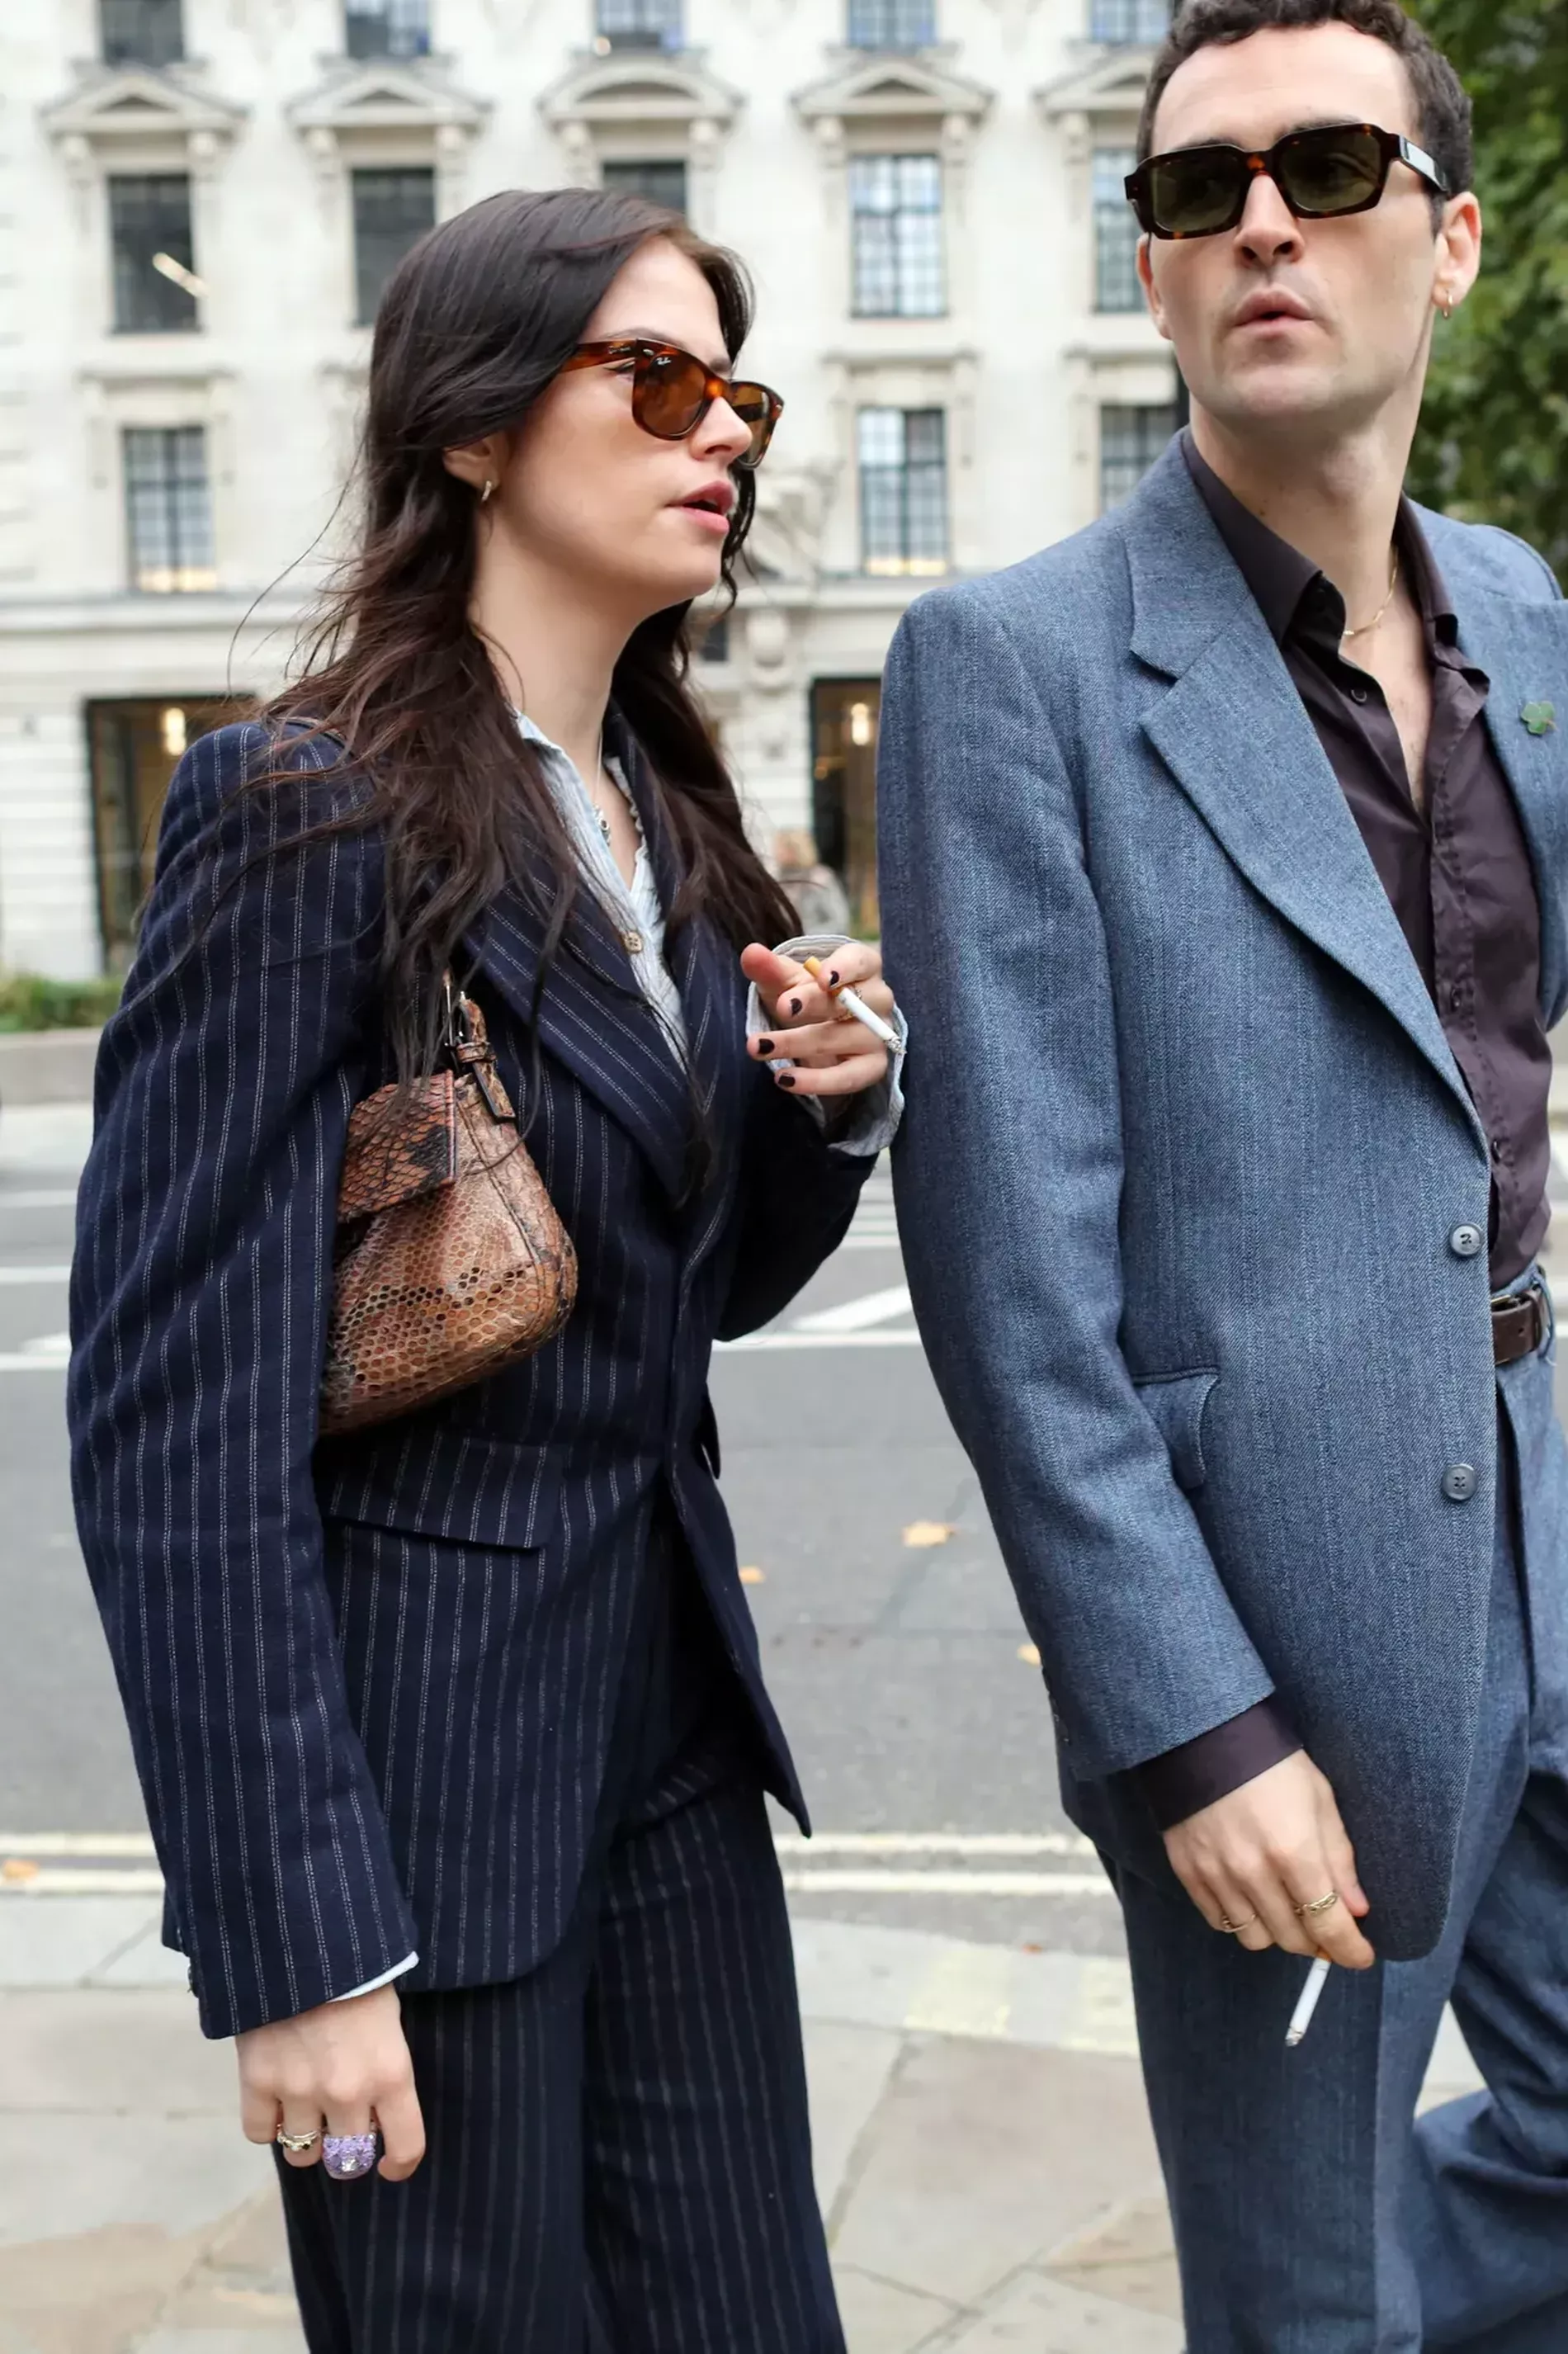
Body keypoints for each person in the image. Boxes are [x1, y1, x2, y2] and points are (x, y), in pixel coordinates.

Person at [68, 187, 905, 2351]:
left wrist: (816, 1106)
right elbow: (177, 1430)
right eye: (654, 377)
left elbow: (667, 1295)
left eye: (738, 390)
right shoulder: (301, 805)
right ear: (469, 430)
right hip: (417, 1808)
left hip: (674, 1756)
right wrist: (293, 1945)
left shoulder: (673, 813)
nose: (716, 429)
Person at [877, 2, 1568, 2344]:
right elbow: (1007, 1285)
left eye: (1328, 168)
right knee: (1300, 2292)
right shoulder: (1014, 670)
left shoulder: (1526, 619)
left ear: (1447, 240)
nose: (1262, 217)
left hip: (1543, 1499)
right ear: (1155, 279)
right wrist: (1190, 1720)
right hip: (1276, 1631)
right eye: (1197, 190)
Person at [772, 828, 853, 938]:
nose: (776, 853)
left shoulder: (820, 879)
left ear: (795, 849)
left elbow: (839, 922)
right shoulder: (777, 881)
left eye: (781, 848)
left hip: (818, 948)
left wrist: (805, 937)